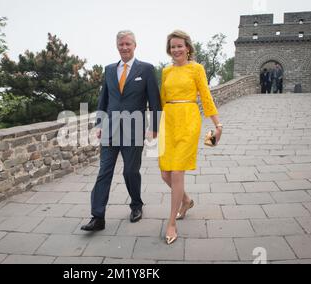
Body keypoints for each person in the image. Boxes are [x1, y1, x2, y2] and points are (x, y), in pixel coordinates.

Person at [81, 31, 161, 231]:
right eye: (120, 44)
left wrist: (154, 128)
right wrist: (99, 124)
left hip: (134, 130)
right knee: (104, 172)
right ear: (116, 46)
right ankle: (97, 216)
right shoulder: (109, 70)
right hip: (109, 128)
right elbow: (103, 100)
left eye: (127, 44)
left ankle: (136, 205)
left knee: (130, 171)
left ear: (135, 45)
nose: (124, 47)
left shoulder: (146, 69)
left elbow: (155, 101)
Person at [158, 30, 222, 245]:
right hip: (168, 122)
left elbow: (205, 95)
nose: (176, 50)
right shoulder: (166, 71)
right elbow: (162, 100)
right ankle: (186, 201)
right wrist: (153, 127)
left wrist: (217, 124)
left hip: (188, 120)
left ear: (188, 48)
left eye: (179, 46)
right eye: (172, 46)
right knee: (165, 175)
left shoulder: (196, 68)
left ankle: (171, 223)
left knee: (177, 172)